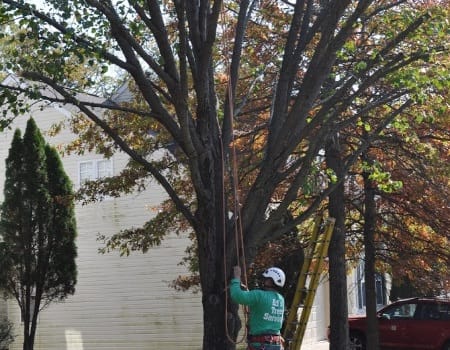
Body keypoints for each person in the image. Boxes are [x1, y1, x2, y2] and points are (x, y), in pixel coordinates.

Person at [230, 265, 286, 350]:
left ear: (270, 281)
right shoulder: (281, 299)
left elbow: (237, 295)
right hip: (276, 344)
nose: (263, 281)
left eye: (266, 279)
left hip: (261, 344)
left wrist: (236, 278)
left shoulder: (259, 295)